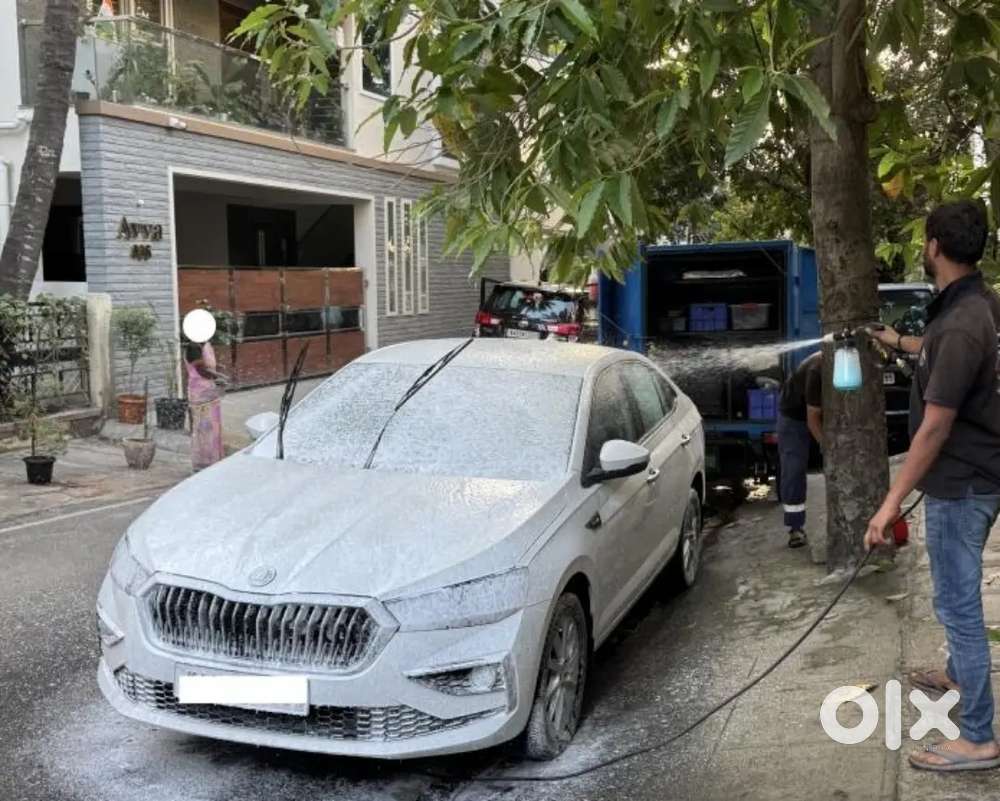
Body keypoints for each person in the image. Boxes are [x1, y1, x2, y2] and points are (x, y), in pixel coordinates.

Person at [867, 200, 1000, 772]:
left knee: (958, 606)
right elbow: (945, 359)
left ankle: (977, 737)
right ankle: (955, 674)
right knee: (959, 605)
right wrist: (897, 342)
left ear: (934, 248)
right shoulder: (976, 308)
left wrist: (888, 506)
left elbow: (935, 426)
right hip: (979, 475)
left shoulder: (964, 323)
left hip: (961, 485)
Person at [777, 351, 823, 549]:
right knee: (794, 468)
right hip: (794, 417)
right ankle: (795, 527)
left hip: (823, 412)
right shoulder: (817, 370)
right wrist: (825, 444)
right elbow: (813, 419)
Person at [185, 339, 225, 471]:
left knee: (204, 429)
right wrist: (220, 377)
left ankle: (205, 462)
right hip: (203, 395)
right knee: (206, 429)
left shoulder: (201, 345)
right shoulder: (194, 347)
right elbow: (202, 369)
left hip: (203, 394)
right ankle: (207, 462)